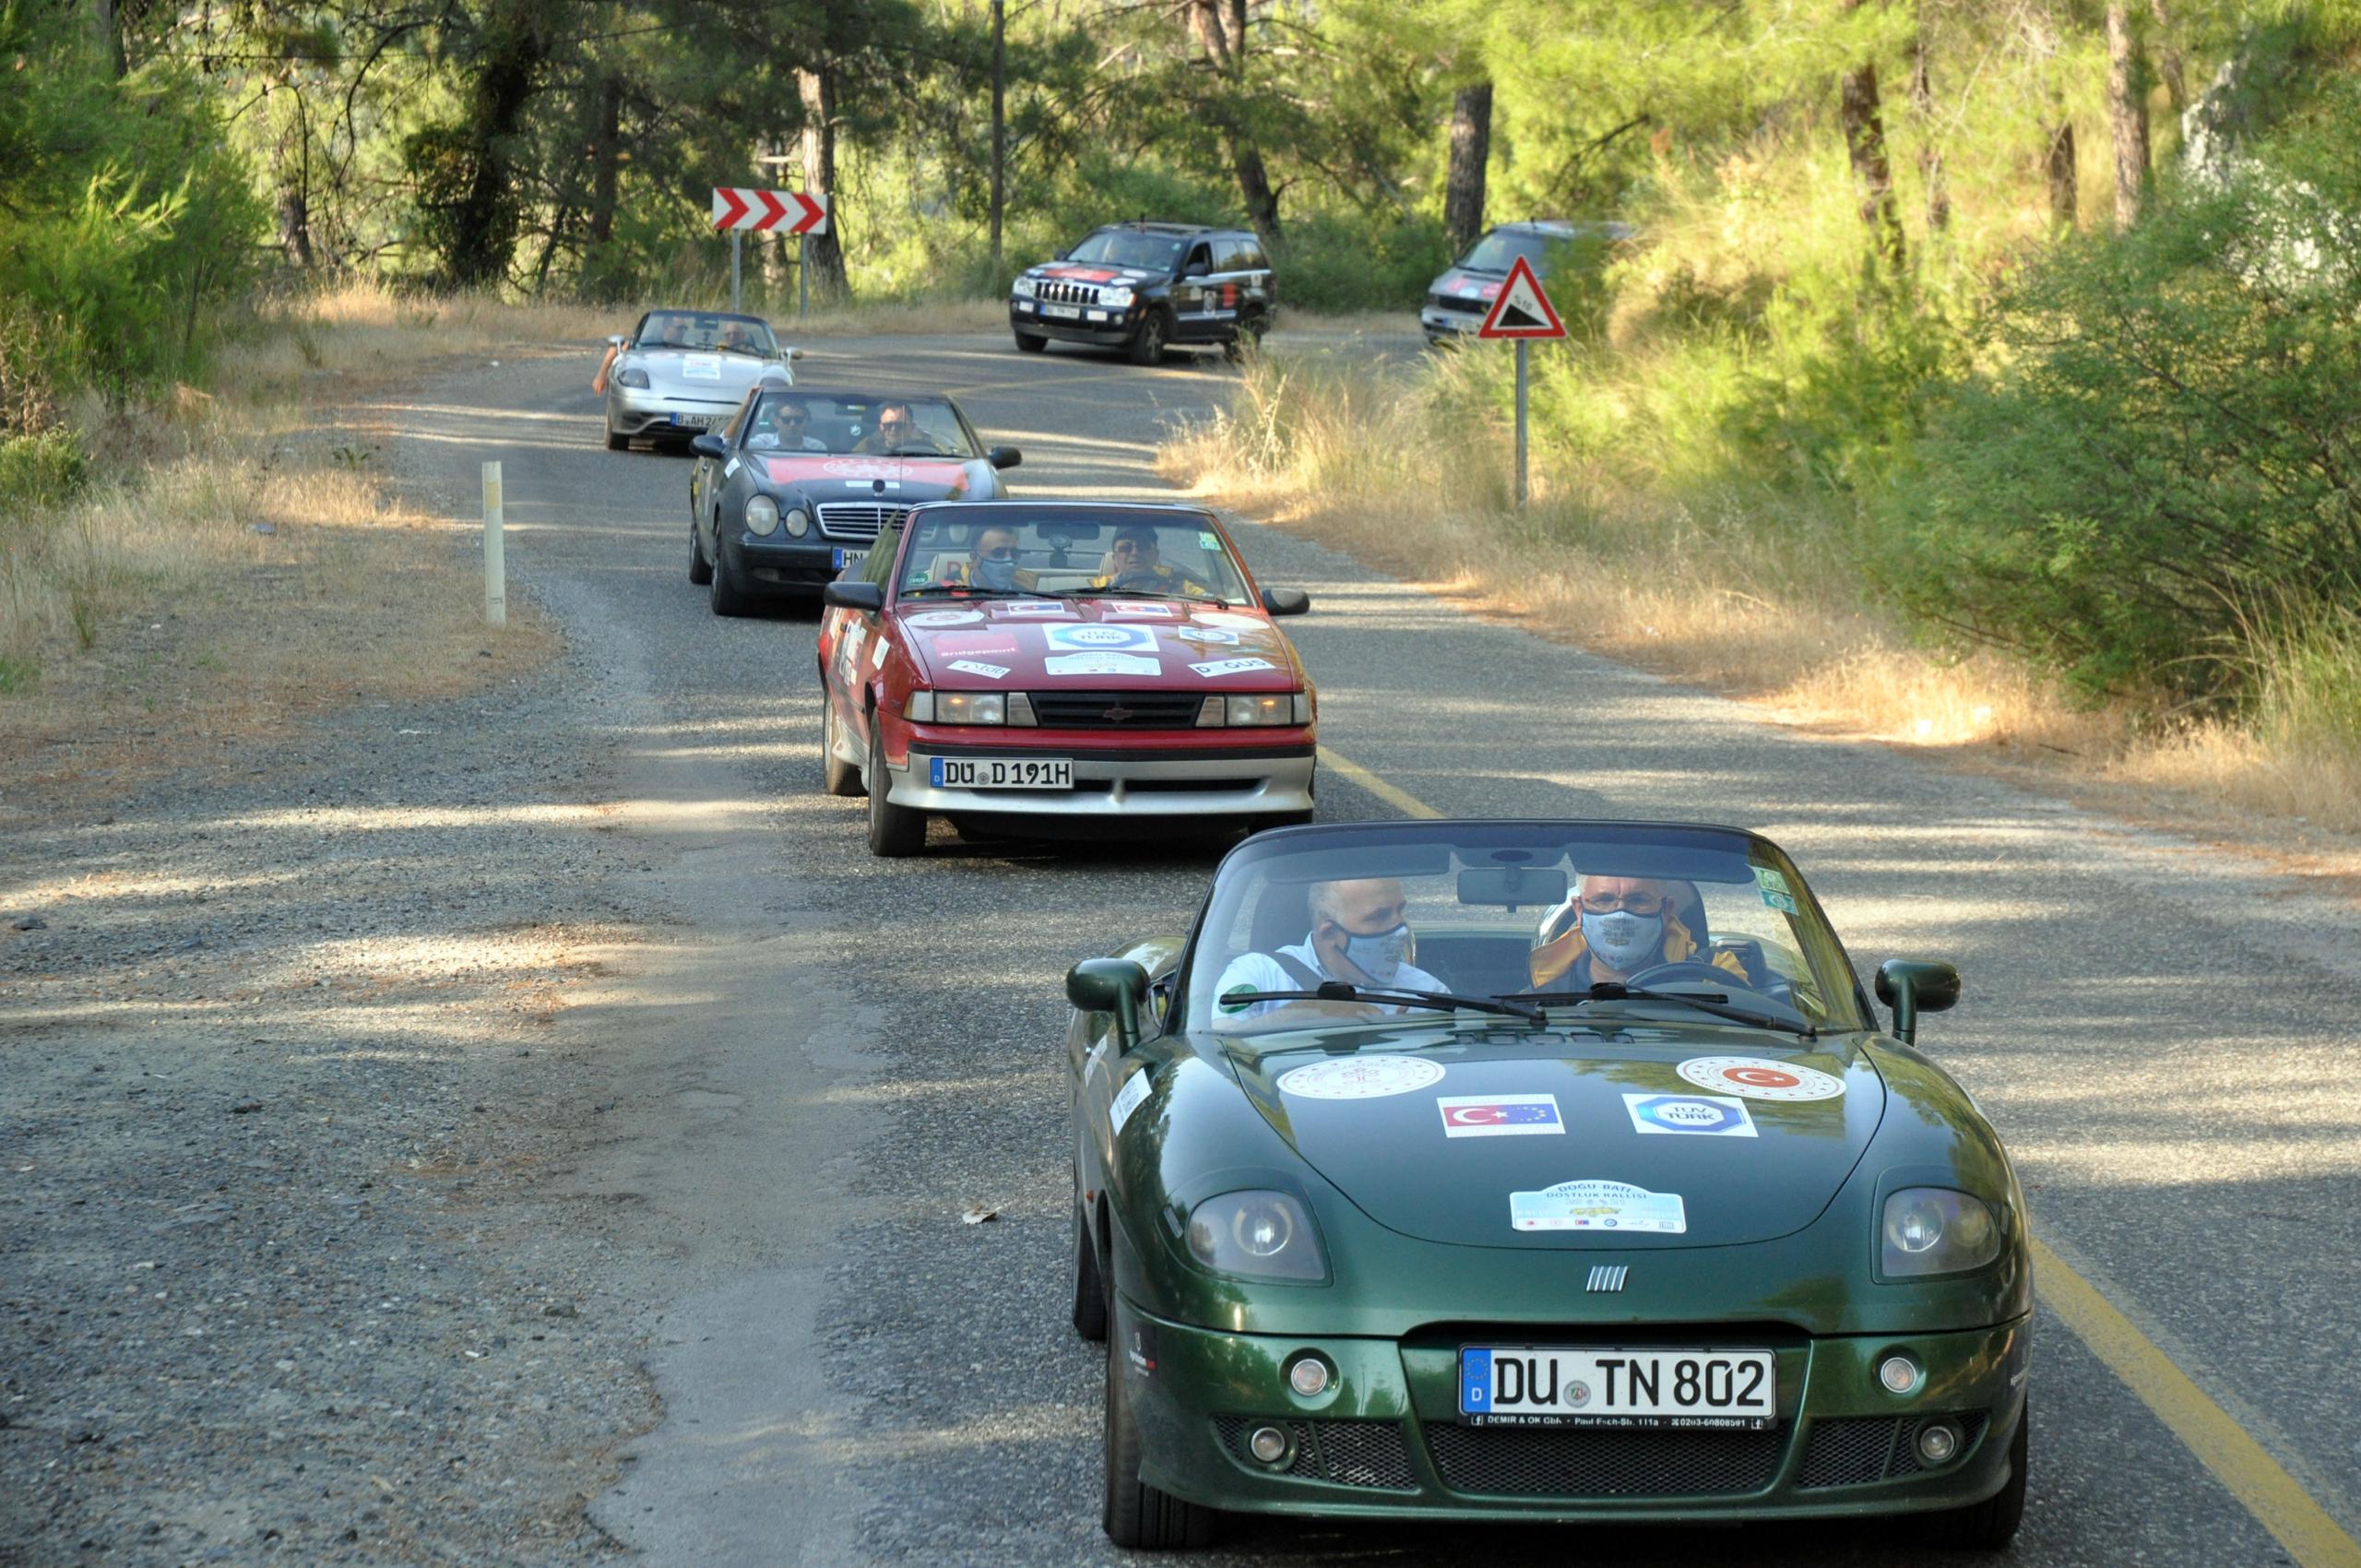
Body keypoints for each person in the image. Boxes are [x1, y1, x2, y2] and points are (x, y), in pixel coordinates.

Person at [1213, 877, 1447, 1029]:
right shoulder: (1260, 973)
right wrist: (1311, 1013)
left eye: (1400, 910)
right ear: (1329, 934)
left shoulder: (1426, 992)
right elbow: (1221, 1042)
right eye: (1379, 916)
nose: (1401, 929)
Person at [1526, 874, 1748, 991]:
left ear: (1666, 910)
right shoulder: (1540, 999)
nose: (1620, 915)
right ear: (1579, 909)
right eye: (1604, 900)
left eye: (1638, 900)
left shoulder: (1713, 978)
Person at [1090, 523, 1216, 596]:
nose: (1135, 553)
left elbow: (1215, 603)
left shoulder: (1179, 587)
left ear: (1155, 555)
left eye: (1143, 546)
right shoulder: (1095, 591)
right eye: (1126, 548)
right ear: (1114, 558)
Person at [936, 524, 1031, 590]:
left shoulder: (1028, 597)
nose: (1009, 562)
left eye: (1014, 553)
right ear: (974, 557)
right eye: (998, 553)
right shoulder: (945, 594)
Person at [747, 392, 827, 453]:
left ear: (805, 421)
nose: (792, 424)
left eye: (798, 420)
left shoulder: (817, 448)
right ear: (776, 421)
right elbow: (739, 446)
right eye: (786, 420)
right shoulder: (763, 443)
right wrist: (747, 404)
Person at [857, 400, 944, 455]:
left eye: (899, 425)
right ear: (881, 427)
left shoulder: (927, 450)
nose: (893, 429)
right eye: (888, 425)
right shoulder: (867, 447)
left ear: (912, 427)